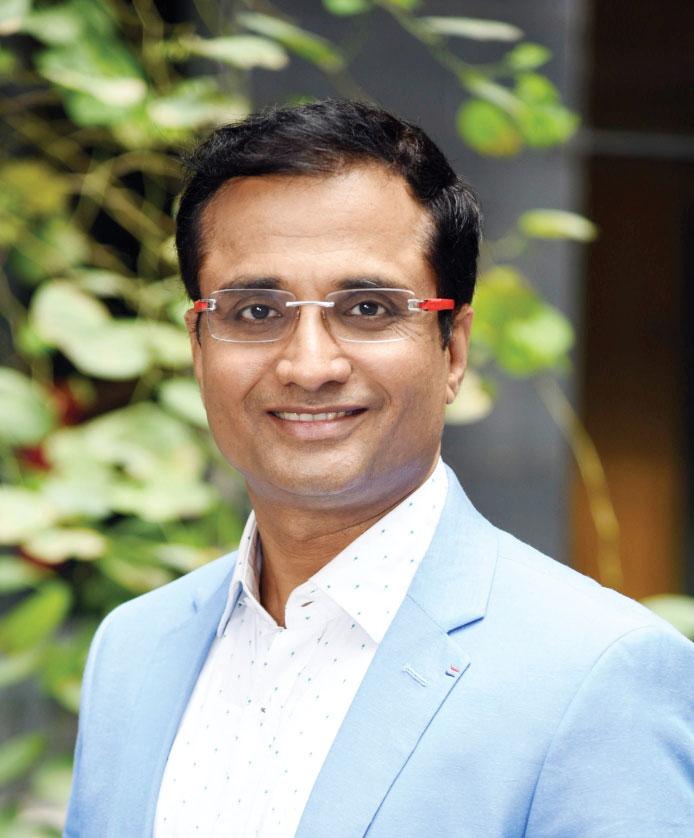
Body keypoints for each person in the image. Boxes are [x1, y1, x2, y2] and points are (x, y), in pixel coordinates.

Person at [65, 99, 693, 837]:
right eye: (256, 311)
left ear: (452, 349)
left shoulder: (599, 671)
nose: (309, 366)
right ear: (199, 347)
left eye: (366, 308)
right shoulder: (134, 649)